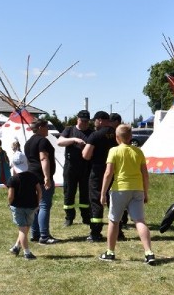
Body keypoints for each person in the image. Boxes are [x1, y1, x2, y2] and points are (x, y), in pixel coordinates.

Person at [99, 123, 156, 264]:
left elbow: (108, 173)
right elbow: (145, 174)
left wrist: (102, 193)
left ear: (117, 137)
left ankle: (110, 252)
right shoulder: (138, 151)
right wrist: (146, 192)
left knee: (114, 220)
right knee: (140, 221)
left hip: (120, 189)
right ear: (131, 137)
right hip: (137, 189)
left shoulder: (114, 151)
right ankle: (148, 253)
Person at [82, 111, 117, 242]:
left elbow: (86, 155)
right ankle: (118, 231)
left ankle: (95, 232)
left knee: (96, 200)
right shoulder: (117, 134)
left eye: (95, 120)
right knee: (115, 200)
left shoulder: (95, 135)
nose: (94, 123)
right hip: (115, 170)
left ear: (100, 120)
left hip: (98, 171)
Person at [57, 110, 94, 227]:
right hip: (71, 166)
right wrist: (74, 140)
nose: (84, 123)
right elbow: (60, 142)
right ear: (77, 119)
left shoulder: (91, 133)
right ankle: (69, 217)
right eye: (82, 121)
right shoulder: (70, 130)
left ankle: (86, 217)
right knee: (69, 192)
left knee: (85, 193)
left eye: (87, 121)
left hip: (85, 167)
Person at [25, 119, 58, 245]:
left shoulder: (28, 142)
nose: (48, 129)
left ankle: (35, 233)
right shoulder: (43, 141)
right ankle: (44, 236)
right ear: (40, 128)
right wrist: (47, 177)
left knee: (36, 205)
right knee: (44, 204)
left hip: (30, 175)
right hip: (40, 176)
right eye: (46, 127)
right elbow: (43, 158)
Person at [7, 152, 41, 260]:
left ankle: (27, 253)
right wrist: (38, 203)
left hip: (18, 207)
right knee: (26, 228)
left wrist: (9, 202)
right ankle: (16, 247)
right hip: (31, 206)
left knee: (22, 230)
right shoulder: (33, 176)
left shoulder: (13, 179)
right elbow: (39, 191)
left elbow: (10, 195)